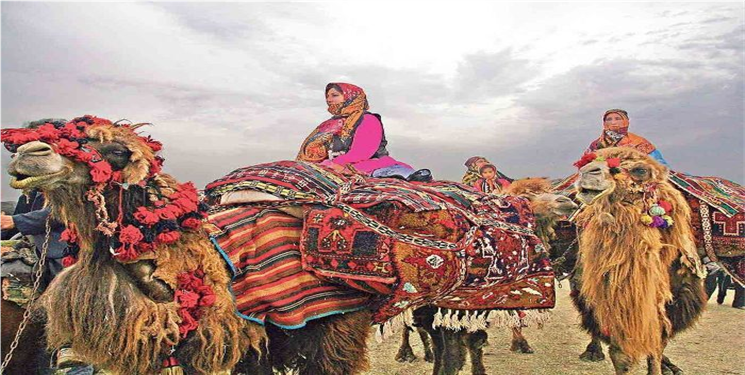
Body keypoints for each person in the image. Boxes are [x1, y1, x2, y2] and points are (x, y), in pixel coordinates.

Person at [297, 82, 431, 182]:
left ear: (351, 97)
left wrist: (335, 165)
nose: (329, 100)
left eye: (335, 95)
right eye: (327, 96)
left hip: (372, 166)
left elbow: (362, 152)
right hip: (335, 168)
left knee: (403, 179)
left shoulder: (368, 119)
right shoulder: (330, 125)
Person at [585, 109, 669, 167]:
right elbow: (586, 162)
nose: (613, 122)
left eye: (618, 119)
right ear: (604, 122)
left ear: (626, 121)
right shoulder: (596, 144)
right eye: (609, 119)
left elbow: (658, 164)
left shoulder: (639, 142)